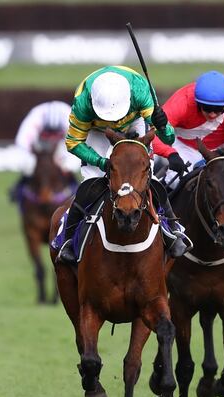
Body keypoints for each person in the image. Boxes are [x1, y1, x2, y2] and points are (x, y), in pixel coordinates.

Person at [56, 65, 192, 264]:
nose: (115, 121)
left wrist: (164, 127)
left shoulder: (141, 91)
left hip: (133, 123)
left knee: (148, 179)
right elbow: (73, 142)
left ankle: (173, 229)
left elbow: (168, 139)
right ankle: (68, 239)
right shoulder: (83, 101)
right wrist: (100, 162)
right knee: (91, 183)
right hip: (98, 131)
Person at [152, 70, 224, 245]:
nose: (213, 114)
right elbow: (152, 135)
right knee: (173, 178)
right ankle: (163, 221)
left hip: (221, 146)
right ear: (197, 102)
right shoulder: (183, 101)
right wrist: (170, 154)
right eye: (207, 108)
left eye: (219, 109)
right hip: (184, 144)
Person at [9, 100, 75, 202]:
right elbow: (22, 141)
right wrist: (31, 157)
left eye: (54, 133)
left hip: (61, 144)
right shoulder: (35, 118)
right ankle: (18, 188)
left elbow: (76, 142)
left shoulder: (69, 118)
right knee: (30, 167)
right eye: (49, 133)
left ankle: (76, 187)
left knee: (67, 167)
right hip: (39, 144)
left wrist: (63, 162)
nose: (51, 137)